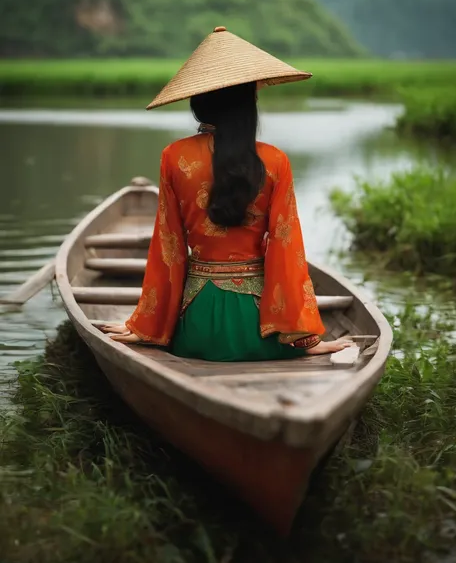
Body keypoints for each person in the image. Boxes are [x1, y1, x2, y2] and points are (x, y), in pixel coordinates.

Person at [103, 26, 352, 361]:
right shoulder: (275, 161)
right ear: (250, 104)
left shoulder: (174, 157)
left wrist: (146, 326)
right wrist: (306, 341)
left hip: (197, 325)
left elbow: (169, 246)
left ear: (199, 102)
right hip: (262, 330)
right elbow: (285, 248)